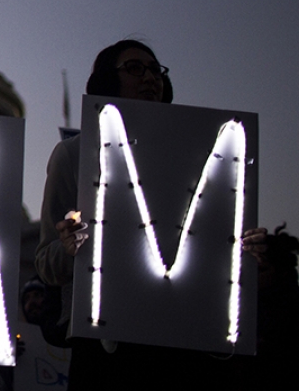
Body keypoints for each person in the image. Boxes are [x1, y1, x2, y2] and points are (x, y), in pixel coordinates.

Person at [34, 39, 267, 389]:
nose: (149, 78)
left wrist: (246, 249)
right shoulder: (73, 154)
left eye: (156, 70)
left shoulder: (201, 153)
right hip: (109, 349)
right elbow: (45, 261)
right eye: (134, 68)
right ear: (107, 80)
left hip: (185, 344)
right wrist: (74, 243)